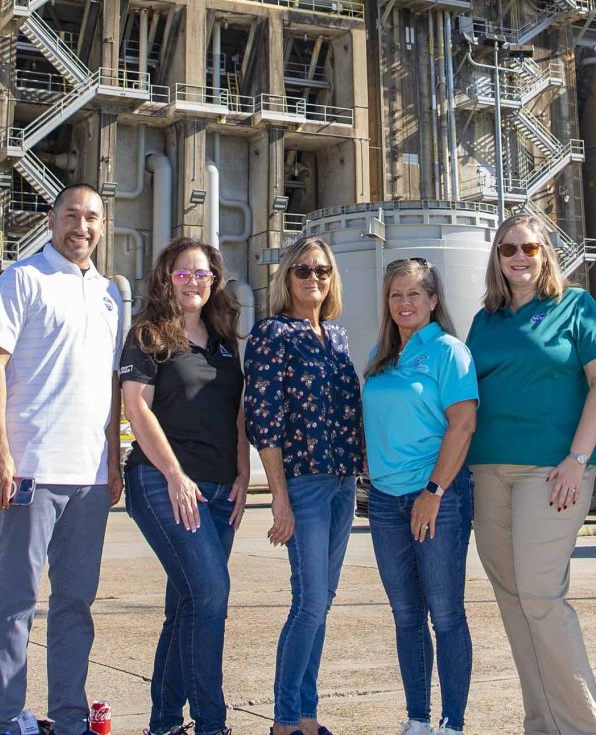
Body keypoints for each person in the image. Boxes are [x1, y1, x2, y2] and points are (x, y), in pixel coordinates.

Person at [464, 212, 596, 735]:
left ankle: (581, 726)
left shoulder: (574, 306)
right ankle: (542, 723)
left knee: (539, 594)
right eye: (508, 249)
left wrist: (579, 460)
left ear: (546, 253)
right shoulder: (486, 318)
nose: (518, 257)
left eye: (529, 248)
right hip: (488, 471)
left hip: (551, 472)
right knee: (512, 601)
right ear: (497, 258)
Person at [0, 184, 126, 735]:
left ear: (103, 226)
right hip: (31, 471)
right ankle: (0, 719)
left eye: (91, 218)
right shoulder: (21, 279)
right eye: (70, 216)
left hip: (88, 479)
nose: (80, 227)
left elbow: (110, 385)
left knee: (75, 607)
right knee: (15, 604)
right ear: (51, 219)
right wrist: (0, 453)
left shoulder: (109, 295)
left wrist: (112, 461)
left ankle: (69, 717)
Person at [119, 237, 249, 735]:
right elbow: (136, 408)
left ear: (214, 282)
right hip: (163, 483)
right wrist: (175, 475)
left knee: (187, 606)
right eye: (183, 272)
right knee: (212, 594)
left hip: (221, 492)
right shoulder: (149, 335)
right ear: (165, 278)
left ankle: (165, 723)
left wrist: (242, 473)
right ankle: (212, 724)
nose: (193, 281)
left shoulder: (223, 342)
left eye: (203, 274)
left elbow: (237, 416)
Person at [244, 236, 362, 735]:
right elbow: (263, 421)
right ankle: (285, 721)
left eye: (323, 271)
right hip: (306, 483)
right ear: (286, 278)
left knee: (323, 602)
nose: (315, 278)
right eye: (304, 271)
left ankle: (308, 717)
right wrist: (280, 498)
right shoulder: (271, 334)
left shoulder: (336, 337)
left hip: (342, 483)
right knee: (309, 602)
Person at [362, 258, 478, 735]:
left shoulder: (450, 352)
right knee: (406, 614)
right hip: (386, 501)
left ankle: (452, 722)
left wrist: (433, 490)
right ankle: (418, 719)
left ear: (433, 301)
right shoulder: (381, 357)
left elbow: (463, 423)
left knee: (445, 613)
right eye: (396, 295)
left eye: (414, 294)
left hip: (437, 498)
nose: (404, 303)